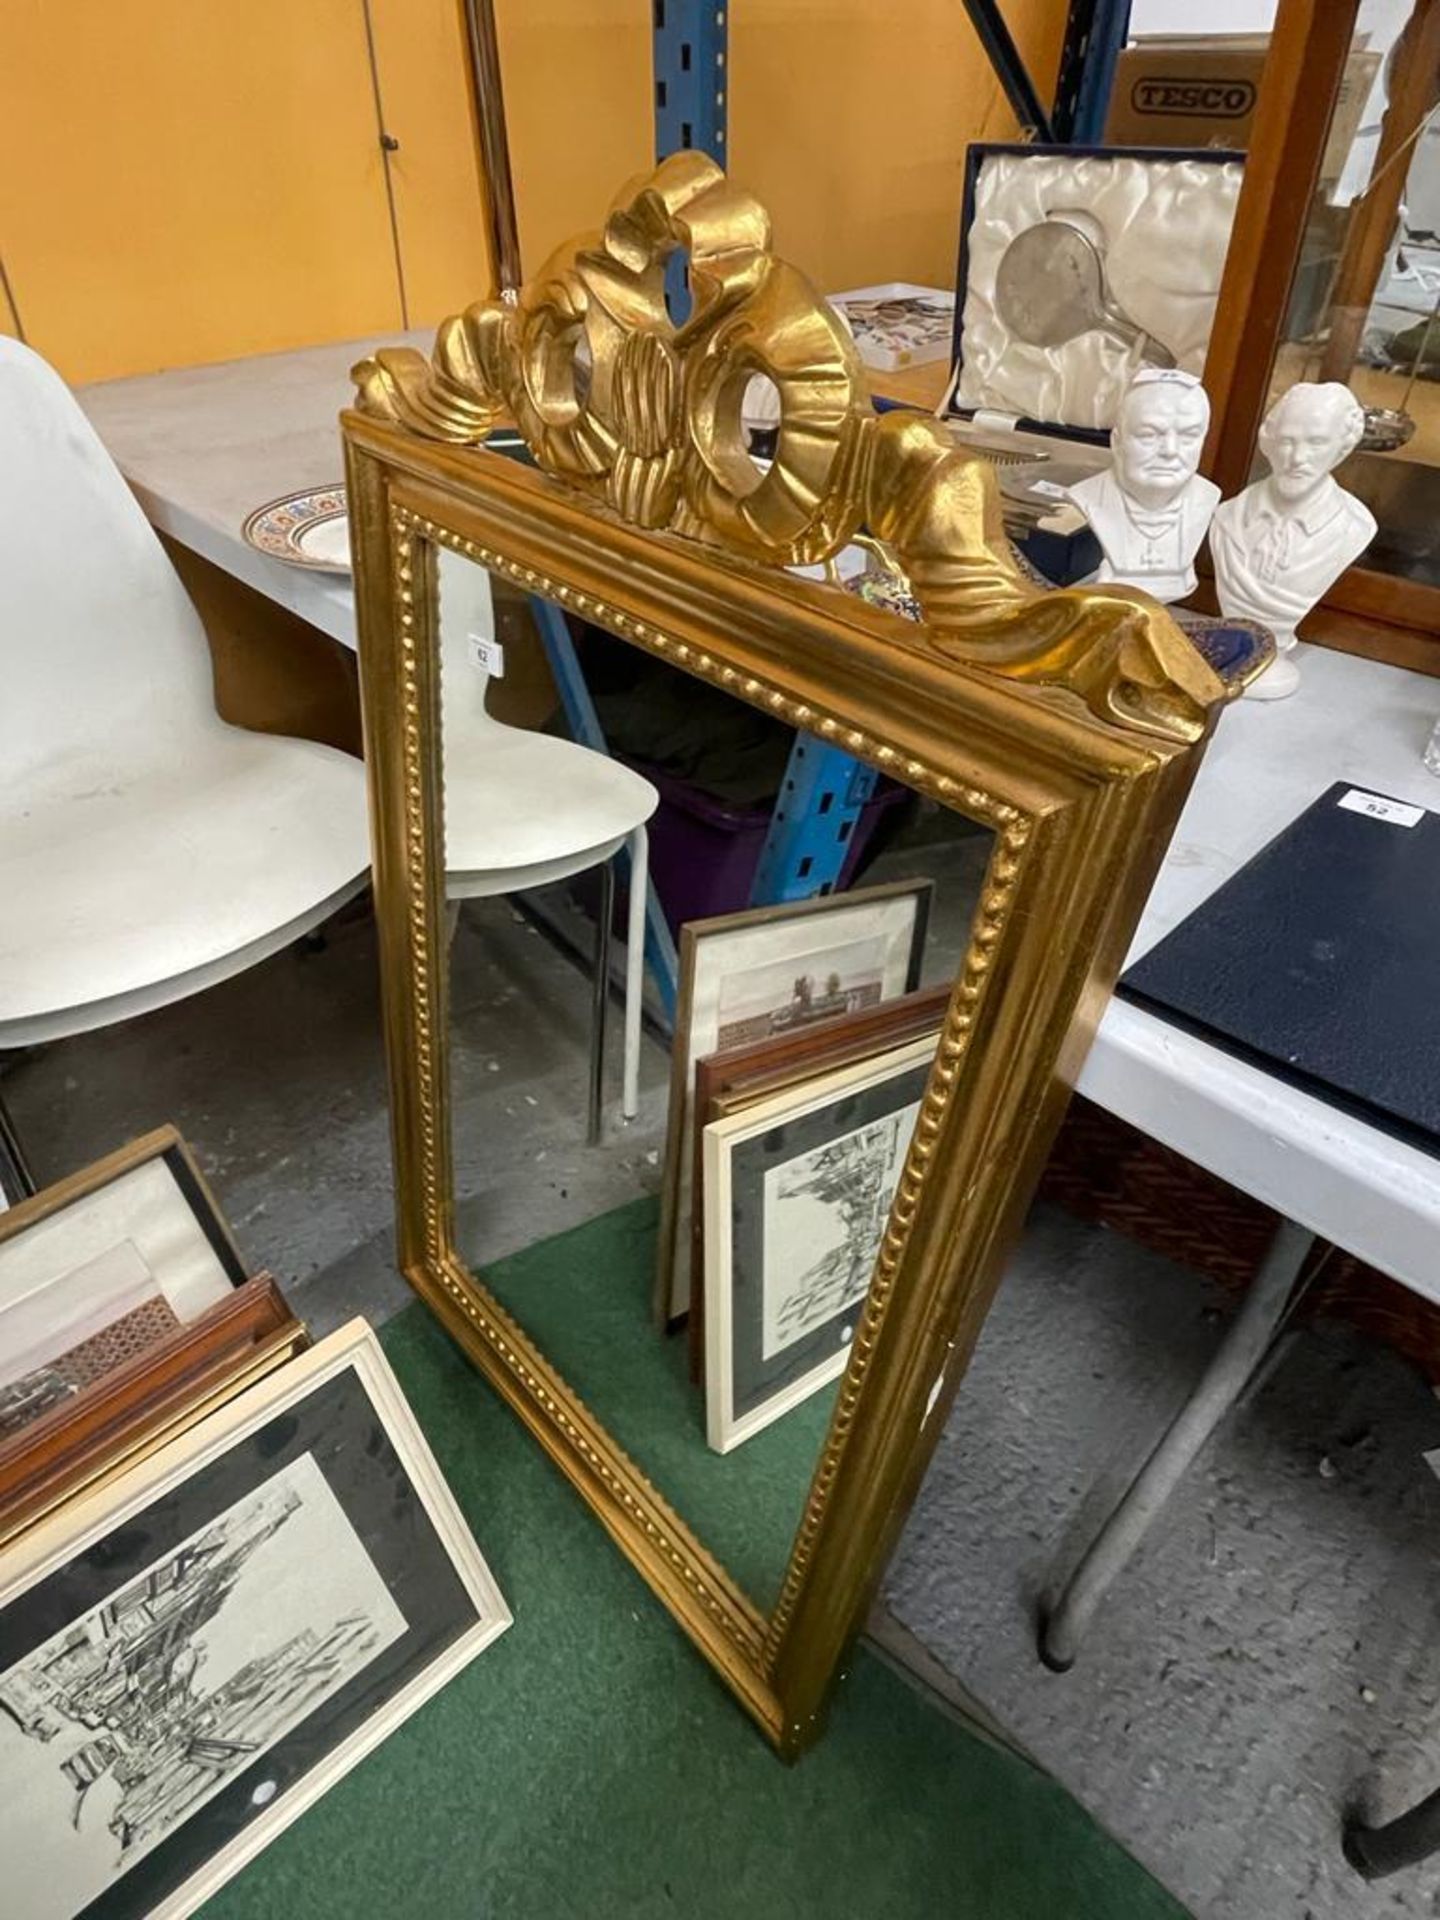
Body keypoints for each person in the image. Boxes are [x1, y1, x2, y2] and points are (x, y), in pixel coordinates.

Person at [1210, 381, 1376, 699]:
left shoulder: (1354, 527)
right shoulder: (1227, 517)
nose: (1298, 457)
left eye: (1316, 442)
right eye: (1287, 441)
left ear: (1343, 447)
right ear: (1267, 442)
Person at [1067, 370, 1219, 603]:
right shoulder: (1087, 497)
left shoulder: (1207, 498)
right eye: (1149, 435)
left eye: (1188, 436)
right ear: (1117, 442)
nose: (1170, 451)